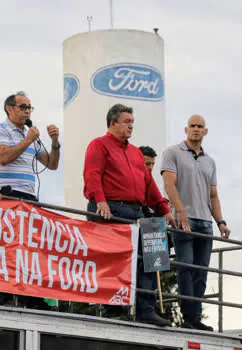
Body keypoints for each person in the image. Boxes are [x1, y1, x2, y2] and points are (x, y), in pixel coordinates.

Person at [83, 103, 174, 327]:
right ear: (112, 123)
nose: (131, 126)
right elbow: (92, 174)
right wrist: (101, 201)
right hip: (111, 208)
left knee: (154, 249)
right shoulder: (99, 145)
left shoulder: (134, 153)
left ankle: (146, 309)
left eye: (132, 122)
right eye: (126, 122)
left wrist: (165, 210)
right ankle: (114, 309)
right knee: (116, 258)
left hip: (136, 210)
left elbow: (149, 184)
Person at [0, 91, 60, 310]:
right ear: (9, 109)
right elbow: (3, 156)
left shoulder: (30, 135)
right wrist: (27, 140)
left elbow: (51, 163)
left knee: (30, 248)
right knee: (7, 247)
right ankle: (7, 296)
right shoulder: (0, 130)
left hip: (28, 196)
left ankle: (32, 297)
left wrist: (55, 141)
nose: (27, 111)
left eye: (30, 107)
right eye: (23, 107)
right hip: (8, 193)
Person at [161, 115, 231, 331]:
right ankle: (189, 317)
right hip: (185, 220)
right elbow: (168, 184)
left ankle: (196, 317)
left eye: (200, 126)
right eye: (192, 126)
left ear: (205, 131)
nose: (196, 129)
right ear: (186, 129)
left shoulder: (210, 161)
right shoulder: (172, 153)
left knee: (201, 272)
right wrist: (180, 211)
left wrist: (220, 221)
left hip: (204, 223)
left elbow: (213, 196)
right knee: (186, 268)